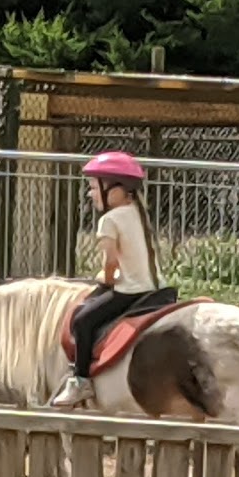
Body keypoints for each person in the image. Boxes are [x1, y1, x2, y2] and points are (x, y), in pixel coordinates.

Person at [51, 150, 163, 407]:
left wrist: (107, 278)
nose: (90, 194)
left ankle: (80, 381)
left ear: (116, 190)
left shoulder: (109, 220)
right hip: (152, 288)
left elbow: (111, 264)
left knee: (82, 320)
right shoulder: (138, 213)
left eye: (93, 186)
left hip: (130, 290)